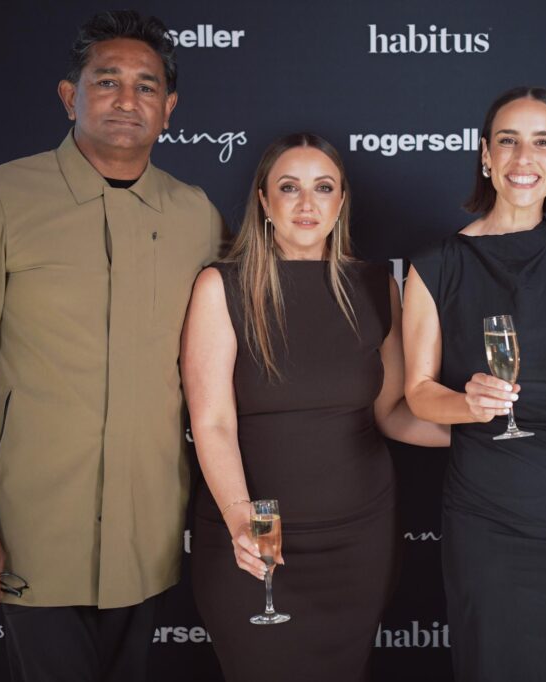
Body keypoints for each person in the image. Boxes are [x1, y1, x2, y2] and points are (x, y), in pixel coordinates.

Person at [0, 10, 224, 682]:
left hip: (147, 532)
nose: (127, 99)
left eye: (146, 86)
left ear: (169, 109)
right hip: (32, 530)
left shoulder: (197, 215)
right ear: (69, 96)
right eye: (107, 81)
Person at [182, 132, 448, 681]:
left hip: (360, 539)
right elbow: (211, 422)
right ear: (264, 200)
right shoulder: (221, 287)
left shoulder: (376, 286)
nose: (307, 203)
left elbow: (393, 413)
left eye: (323, 188)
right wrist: (241, 520)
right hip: (256, 538)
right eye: (289, 187)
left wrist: (480, 426)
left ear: (341, 200)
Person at [403, 87, 546, 681]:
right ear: (485, 155)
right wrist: (467, 404)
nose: (525, 158)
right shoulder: (434, 265)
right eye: (508, 141)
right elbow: (417, 391)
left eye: (543, 143)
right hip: (488, 509)